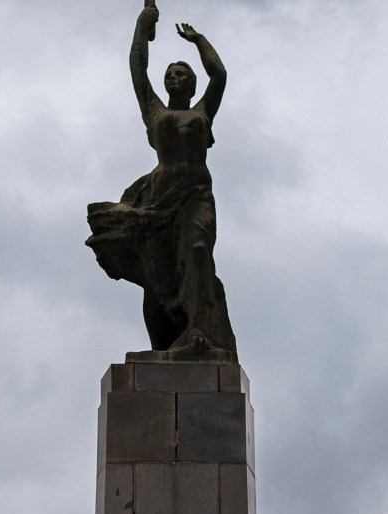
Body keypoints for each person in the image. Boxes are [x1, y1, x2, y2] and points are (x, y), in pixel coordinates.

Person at [86, 3, 237, 359]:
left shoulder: (201, 112)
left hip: (196, 195)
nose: (174, 78)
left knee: (197, 253)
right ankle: (165, 344)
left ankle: (199, 331)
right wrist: (144, 23)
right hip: (157, 201)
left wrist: (198, 41)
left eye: (181, 74)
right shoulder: (155, 111)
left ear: (191, 83)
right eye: (170, 74)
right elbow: (137, 68)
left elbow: (220, 76)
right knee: (158, 279)